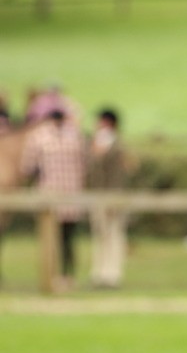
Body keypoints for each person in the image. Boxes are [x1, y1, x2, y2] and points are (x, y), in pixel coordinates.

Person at [20, 109, 87, 289]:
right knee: (67, 239)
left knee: (51, 239)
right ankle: (66, 275)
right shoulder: (75, 136)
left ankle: (55, 275)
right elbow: (85, 165)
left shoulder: (38, 137)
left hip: (50, 196)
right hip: (71, 195)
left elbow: (27, 167)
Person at [87, 108, 132, 289]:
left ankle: (112, 274)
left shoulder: (116, 146)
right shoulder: (98, 143)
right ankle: (99, 273)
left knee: (113, 235)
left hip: (112, 196)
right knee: (100, 236)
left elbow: (118, 174)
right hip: (99, 196)